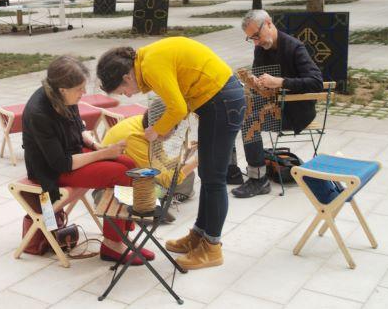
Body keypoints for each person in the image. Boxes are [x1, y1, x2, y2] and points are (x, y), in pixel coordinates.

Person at [96, 37, 245, 270]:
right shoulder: (147, 60)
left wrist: (156, 130)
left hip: (221, 103)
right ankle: (199, 235)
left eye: (122, 90)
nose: (127, 95)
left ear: (126, 77)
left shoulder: (151, 65)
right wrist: (165, 127)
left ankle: (212, 248)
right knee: (207, 175)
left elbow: (177, 106)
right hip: (216, 102)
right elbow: (180, 93)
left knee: (214, 179)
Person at [22, 56, 155, 266]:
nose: (84, 93)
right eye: (80, 89)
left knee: (130, 165)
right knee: (121, 174)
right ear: (63, 89)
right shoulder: (39, 113)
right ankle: (113, 244)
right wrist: (104, 154)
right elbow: (61, 164)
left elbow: (78, 128)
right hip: (51, 168)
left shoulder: (62, 96)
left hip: (70, 153)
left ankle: (123, 237)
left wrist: (97, 146)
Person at [230, 9, 323, 198]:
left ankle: (259, 180)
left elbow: (316, 82)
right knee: (234, 111)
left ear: (269, 23)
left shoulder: (295, 47)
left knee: (249, 122)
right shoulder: (261, 48)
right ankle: (229, 170)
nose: (256, 42)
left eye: (257, 36)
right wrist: (254, 82)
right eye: (252, 39)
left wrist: (280, 82)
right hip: (272, 105)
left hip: (296, 111)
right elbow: (259, 80)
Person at [100, 105, 199, 223]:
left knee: (187, 174)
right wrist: (197, 160)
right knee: (170, 182)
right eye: (172, 128)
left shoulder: (148, 127)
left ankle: (164, 197)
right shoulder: (135, 139)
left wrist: (185, 155)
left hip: (136, 168)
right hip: (113, 185)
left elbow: (164, 163)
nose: (173, 132)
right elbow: (166, 179)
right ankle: (163, 198)